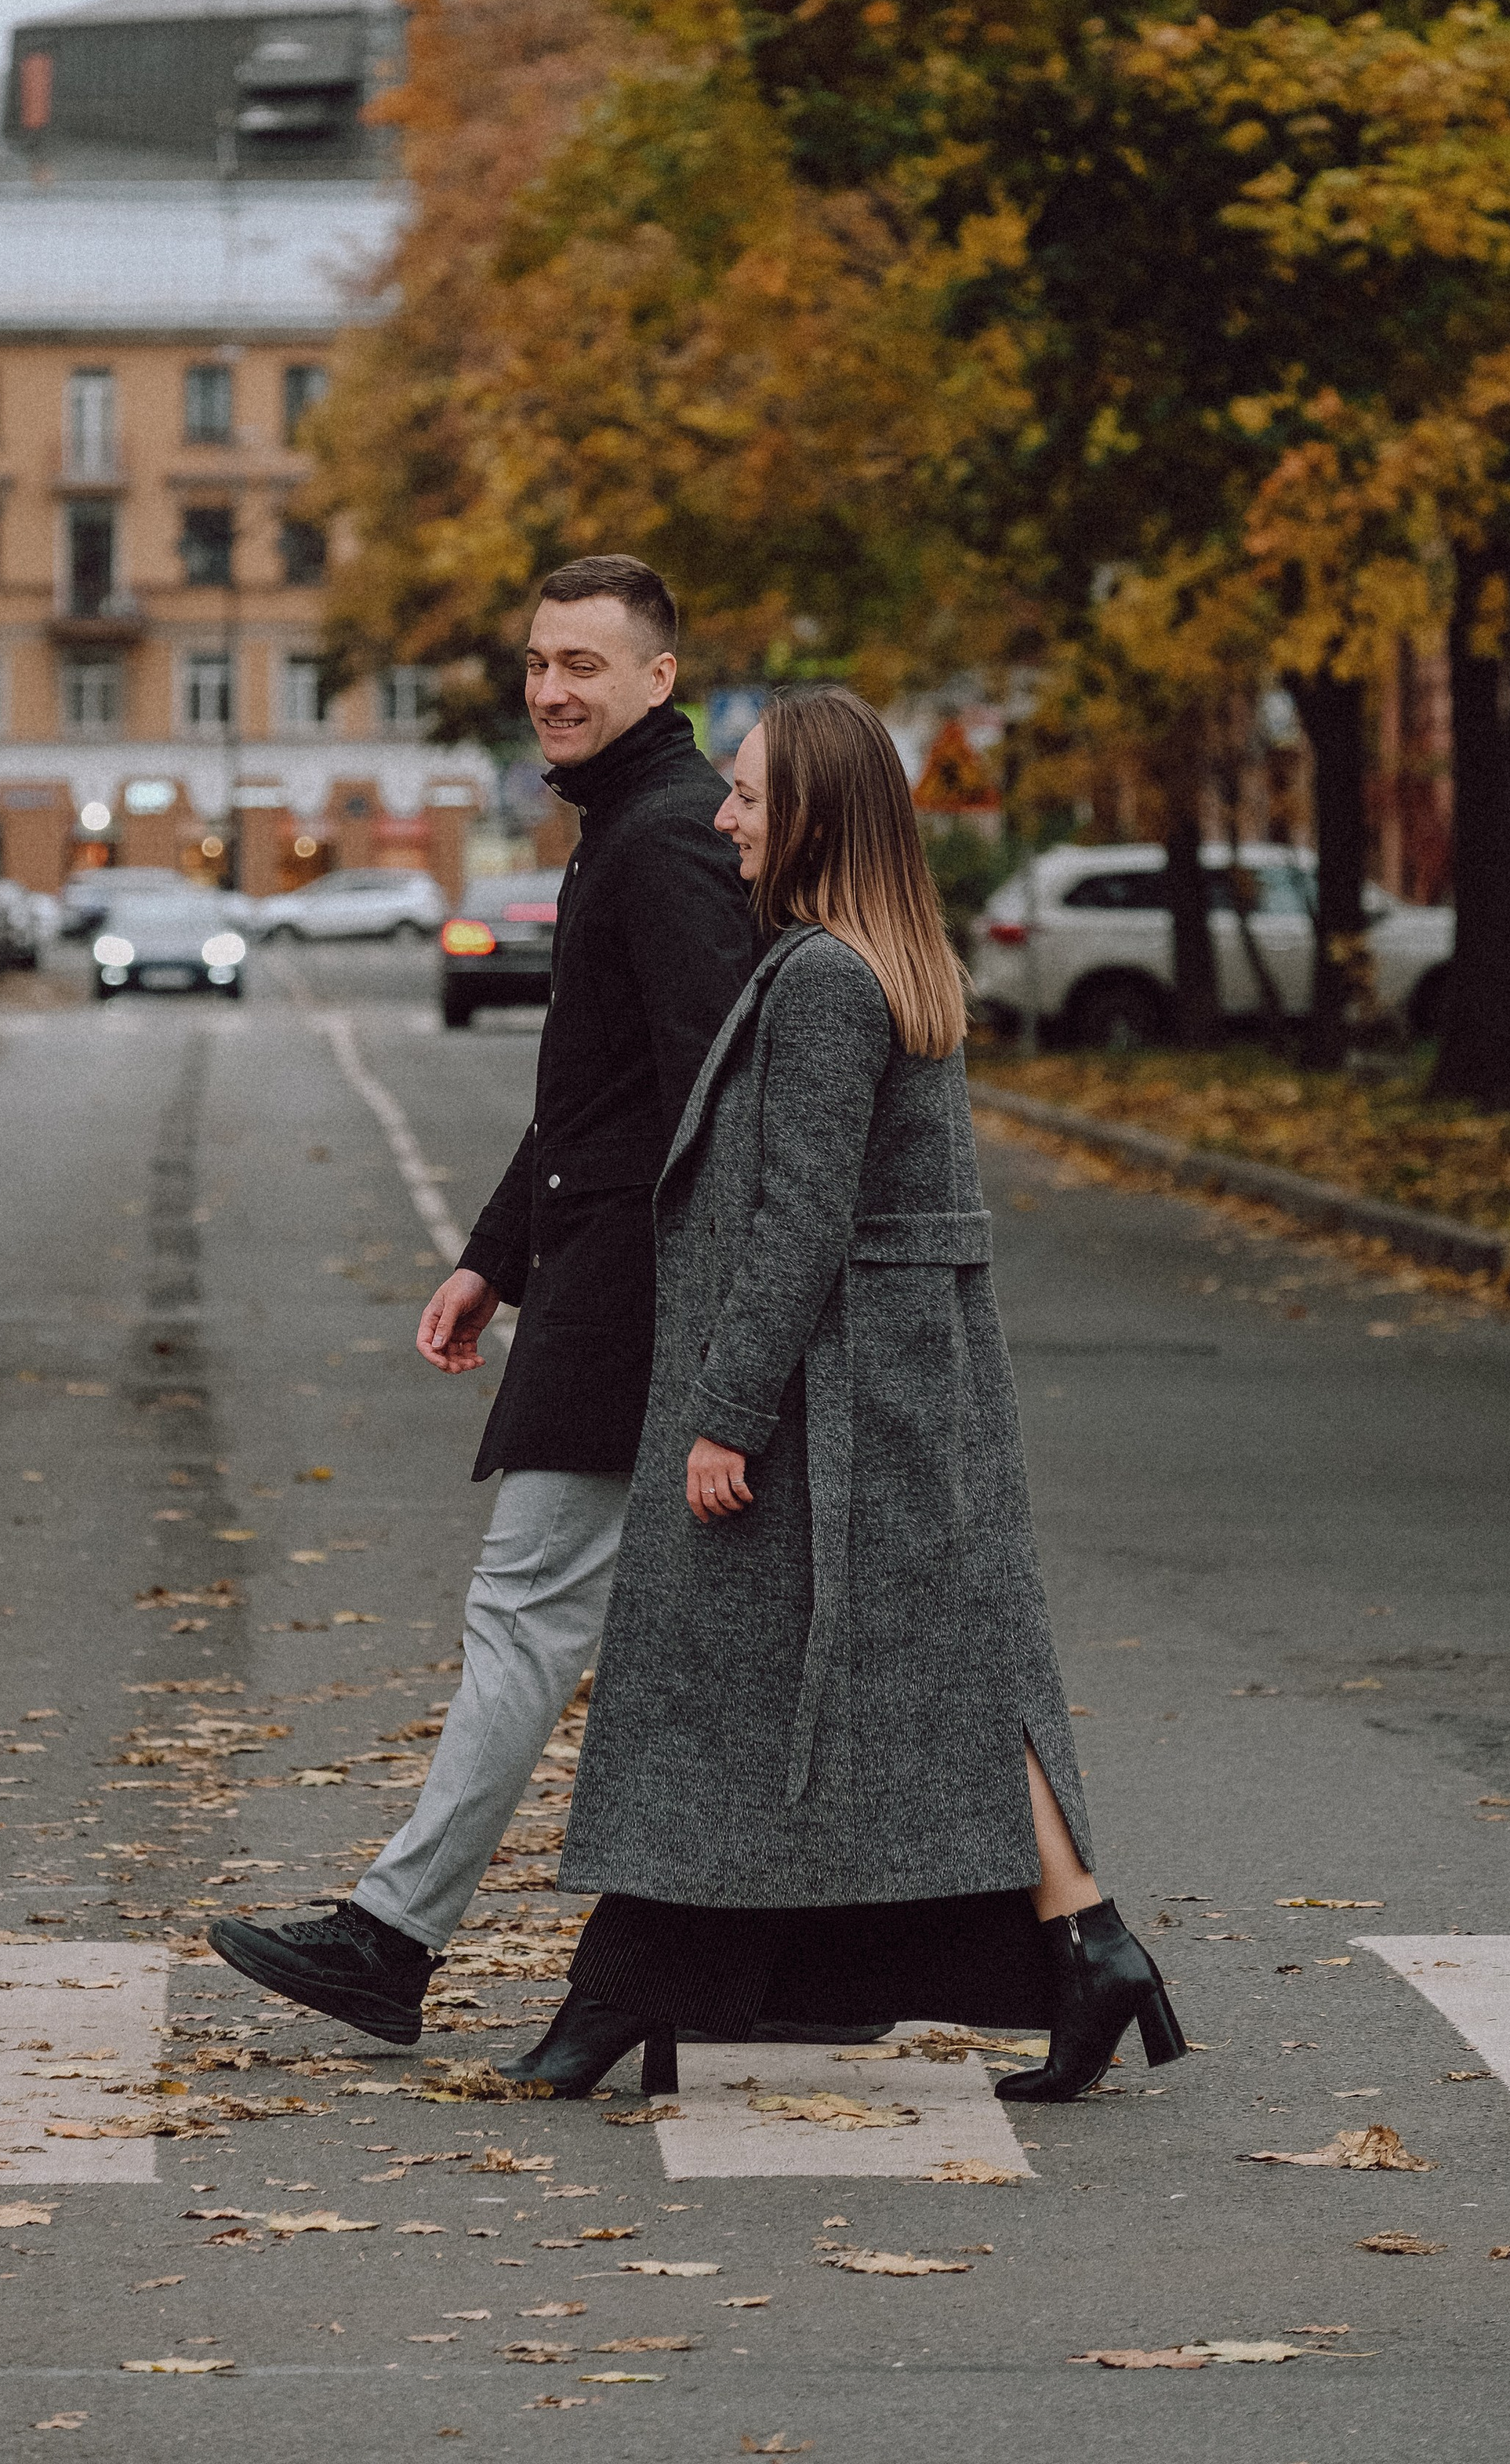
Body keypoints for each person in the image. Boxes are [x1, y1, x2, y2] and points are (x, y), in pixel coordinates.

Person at [500, 689, 1188, 2105]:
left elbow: (798, 1219)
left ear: (815, 814)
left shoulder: (822, 978)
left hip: (832, 1394)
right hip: (884, 1378)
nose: (725, 819)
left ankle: (629, 1990)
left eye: (750, 796)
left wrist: (725, 1413)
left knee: (727, 1685)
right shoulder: (870, 958)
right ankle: (1087, 1947)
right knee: (945, 1669)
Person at [210, 555, 754, 2042]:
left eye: (584, 664)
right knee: (666, 1636)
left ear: (658, 678)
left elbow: (715, 1092)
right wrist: (491, 1258)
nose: (550, 690)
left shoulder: (664, 838)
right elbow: (593, 1093)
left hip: (638, 1302)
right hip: (604, 1285)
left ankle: (392, 1938)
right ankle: (960, 1943)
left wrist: (721, 1332)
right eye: (536, 662)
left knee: (528, 1612)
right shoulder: (625, 826)